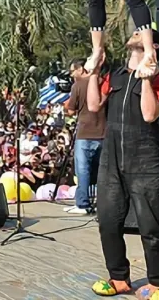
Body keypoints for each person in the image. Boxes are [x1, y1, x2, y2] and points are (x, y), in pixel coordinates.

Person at [86, 29, 159, 299]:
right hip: (112, 158)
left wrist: (146, 78)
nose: (136, 32)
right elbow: (93, 105)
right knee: (107, 221)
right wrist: (94, 71)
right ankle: (119, 279)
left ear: (154, 45)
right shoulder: (116, 75)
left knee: (151, 226)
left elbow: (149, 114)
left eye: (142, 32)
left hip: (145, 159)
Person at [64, 58, 106, 215]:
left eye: (72, 71)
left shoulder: (78, 85)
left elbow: (70, 110)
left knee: (83, 171)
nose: (71, 75)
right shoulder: (104, 82)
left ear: (81, 69)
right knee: (103, 170)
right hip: (104, 132)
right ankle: (103, 203)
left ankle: (82, 204)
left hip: (85, 133)